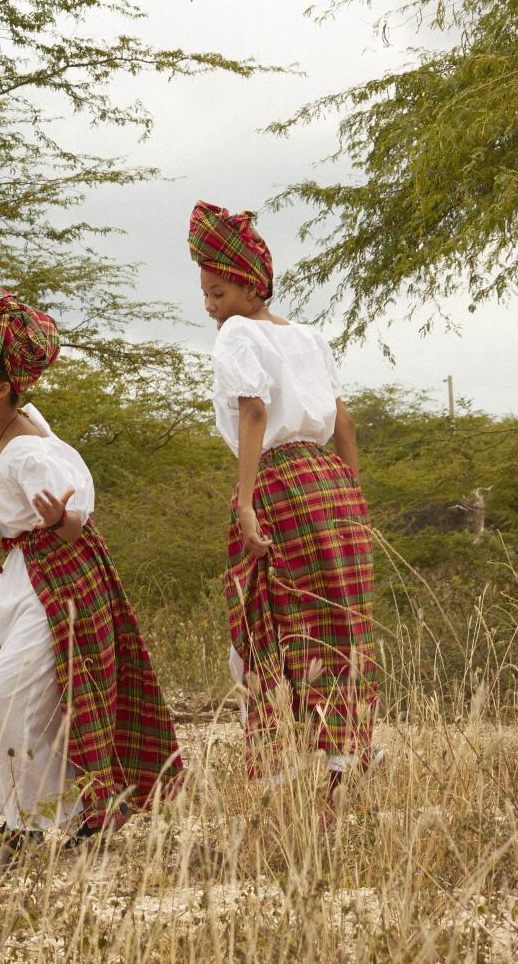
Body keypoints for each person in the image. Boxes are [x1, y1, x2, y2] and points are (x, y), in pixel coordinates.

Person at [0, 286, 182, 861]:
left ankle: (29, 822)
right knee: (38, 701)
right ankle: (57, 818)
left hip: (57, 576)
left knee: (9, 695)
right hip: (22, 574)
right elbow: (0, 483)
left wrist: (61, 517)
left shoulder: (30, 451)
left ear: (5, 388)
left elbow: (72, 523)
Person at [188, 200, 378, 800]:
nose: (211, 308)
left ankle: (276, 770)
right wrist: (351, 492)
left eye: (218, 293)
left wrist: (245, 502)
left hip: (278, 483)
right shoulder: (310, 335)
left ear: (248, 284)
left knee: (264, 618)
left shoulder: (237, 336)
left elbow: (253, 410)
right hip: (329, 482)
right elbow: (341, 418)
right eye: (207, 296)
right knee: (336, 622)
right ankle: (345, 764)